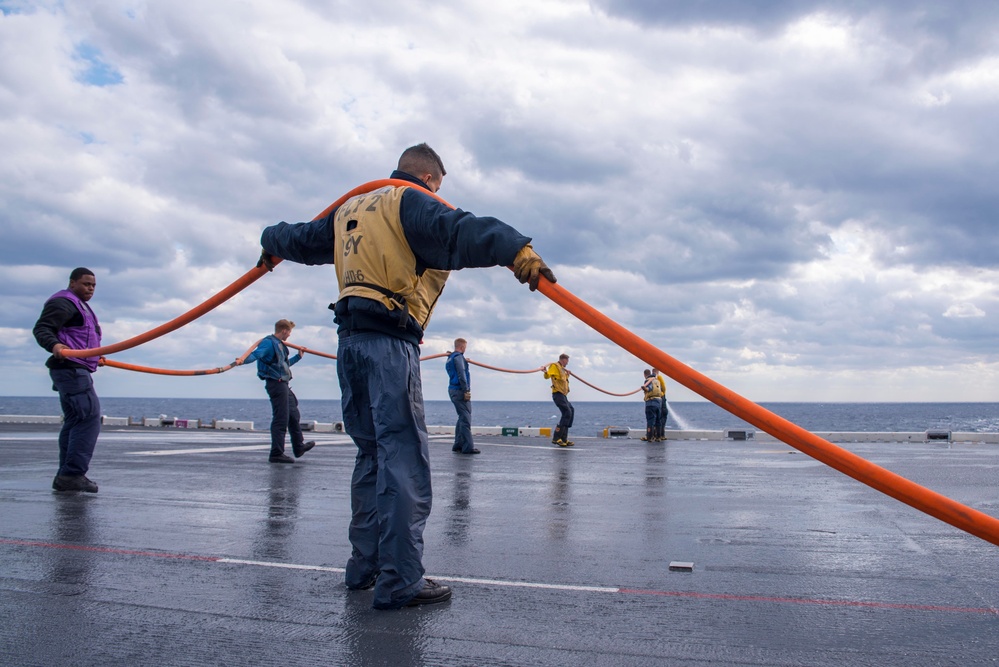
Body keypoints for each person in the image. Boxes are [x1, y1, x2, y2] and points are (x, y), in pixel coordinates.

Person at [257, 142, 555, 609]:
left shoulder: (350, 208)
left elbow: (297, 237)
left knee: (371, 456)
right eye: (439, 188)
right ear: (432, 180)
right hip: (389, 345)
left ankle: (365, 567)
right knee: (403, 461)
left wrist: (268, 240)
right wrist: (517, 250)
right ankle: (401, 581)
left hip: (349, 346)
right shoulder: (409, 200)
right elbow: (458, 229)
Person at [32, 268, 103, 493]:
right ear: (72, 283)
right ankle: (72, 474)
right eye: (85, 284)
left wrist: (93, 355)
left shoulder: (78, 306)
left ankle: (66, 474)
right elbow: (42, 328)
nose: (90, 288)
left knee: (75, 421)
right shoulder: (64, 302)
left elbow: (79, 337)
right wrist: (55, 346)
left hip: (75, 369)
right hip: (71, 369)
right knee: (88, 418)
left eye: (93, 285)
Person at [237, 319, 315, 464]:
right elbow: (256, 355)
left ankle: (299, 447)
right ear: (284, 330)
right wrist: (242, 360)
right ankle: (276, 453)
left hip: (284, 383)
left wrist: (298, 356)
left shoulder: (279, 345)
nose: (290, 335)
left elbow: (283, 365)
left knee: (293, 414)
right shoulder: (268, 343)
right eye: (290, 332)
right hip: (276, 384)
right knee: (281, 418)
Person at [446, 338, 478, 454]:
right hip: (459, 390)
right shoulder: (458, 358)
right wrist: (466, 391)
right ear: (463, 347)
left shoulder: (450, 358)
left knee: (461, 417)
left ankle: (458, 444)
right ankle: (467, 447)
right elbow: (461, 374)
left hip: (452, 390)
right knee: (465, 418)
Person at [543, 353, 574, 447]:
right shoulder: (555, 366)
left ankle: (564, 439)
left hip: (563, 395)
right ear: (563, 359)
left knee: (571, 411)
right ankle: (556, 438)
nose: (567, 363)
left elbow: (562, 379)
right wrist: (545, 371)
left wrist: (567, 374)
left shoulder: (562, 369)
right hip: (557, 394)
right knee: (567, 412)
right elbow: (547, 376)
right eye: (567, 361)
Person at [641, 369, 663, 442]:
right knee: (658, 420)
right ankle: (658, 437)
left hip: (651, 402)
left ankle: (650, 437)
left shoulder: (648, 380)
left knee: (650, 420)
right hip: (659, 402)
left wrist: (644, 388)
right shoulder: (657, 381)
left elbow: (649, 388)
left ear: (645, 374)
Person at [652, 367, 668, 441]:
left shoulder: (649, 379)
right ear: (657, 372)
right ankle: (661, 435)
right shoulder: (659, 377)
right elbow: (664, 387)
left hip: (653, 400)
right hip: (661, 398)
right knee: (663, 416)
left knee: (654, 417)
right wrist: (662, 394)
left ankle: (654, 435)